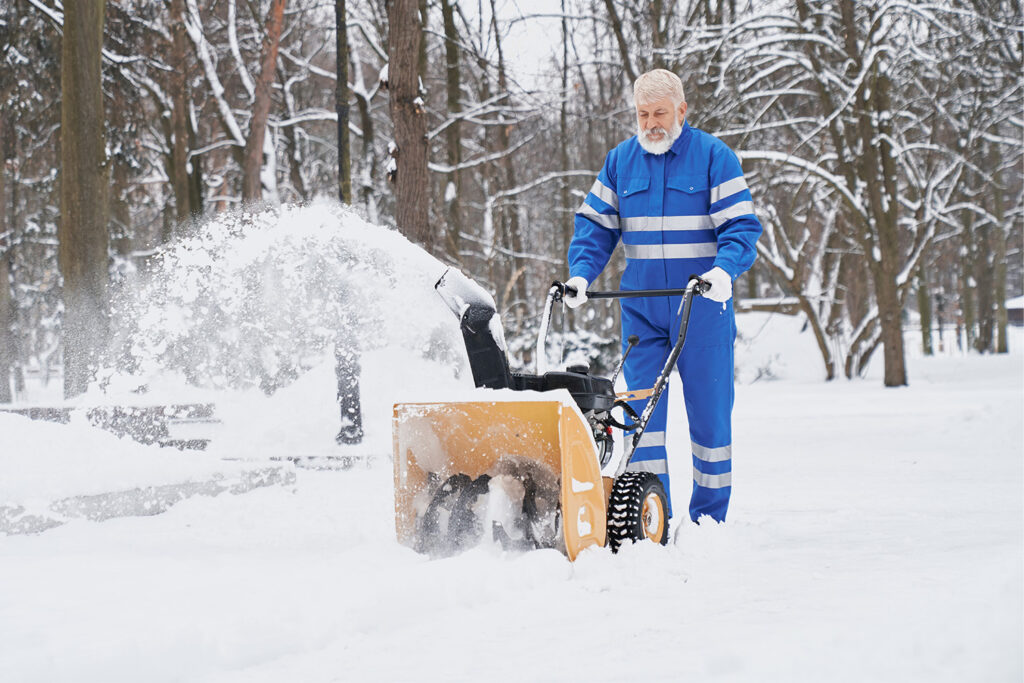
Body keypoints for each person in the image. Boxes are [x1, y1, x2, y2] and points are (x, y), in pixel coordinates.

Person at [564, 69, 762, 523]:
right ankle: (652, 515)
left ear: (682, 110)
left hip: (702, 307)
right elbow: (595, 228)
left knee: (710, 421)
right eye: (643, 114)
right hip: (643, 311)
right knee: (640, 421)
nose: (652, 122)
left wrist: (723, 270)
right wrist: (580, 276)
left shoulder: (714, 156)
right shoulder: (620, 162)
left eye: (660, 112)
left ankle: (708, 521)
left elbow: (741, 228)